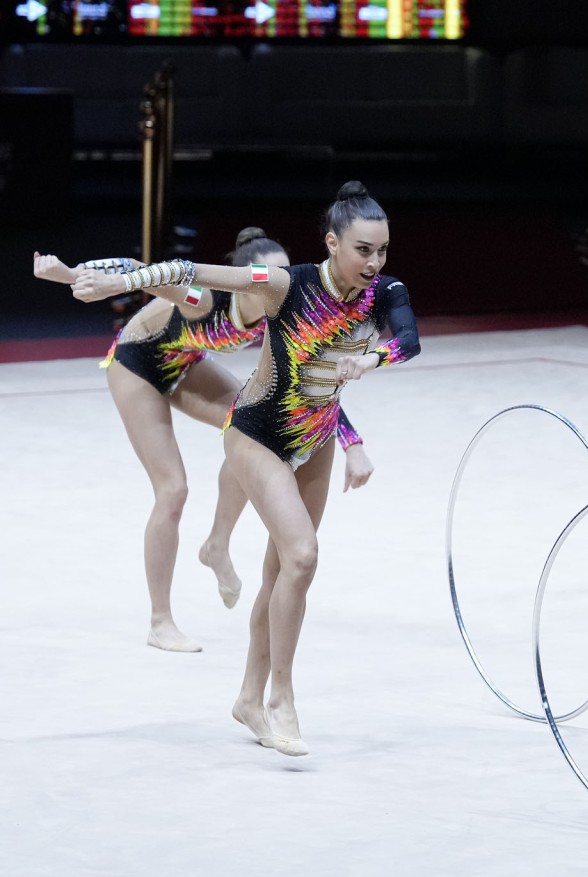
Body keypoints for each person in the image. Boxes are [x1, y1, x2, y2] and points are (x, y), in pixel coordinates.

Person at [70, 181, 418, 756]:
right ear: (332, 243)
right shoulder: (282, 284)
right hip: (256, 433)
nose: (374, 262)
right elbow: (192, 272)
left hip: (315, 438)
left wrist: (369, 374)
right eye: (363, 250)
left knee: (283, 573)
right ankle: (282, 697)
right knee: (302, 555)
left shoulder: (386, 292)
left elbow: (409, 340)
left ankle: (250, 698)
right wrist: (118, 282)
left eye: (381, 250)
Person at [31, 228, 374, 654]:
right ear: (244, 278)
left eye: (285, 275)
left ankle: (216, 544)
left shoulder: (281, 314)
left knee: (252, 434)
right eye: (269, 276)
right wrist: (69, 274)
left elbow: (309, 390)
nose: (281, 284)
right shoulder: (203, 300)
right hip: (138, 366)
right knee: (172, 490)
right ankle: (160, 621)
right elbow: (139, 270)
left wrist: (352, 444)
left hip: (187, 362)